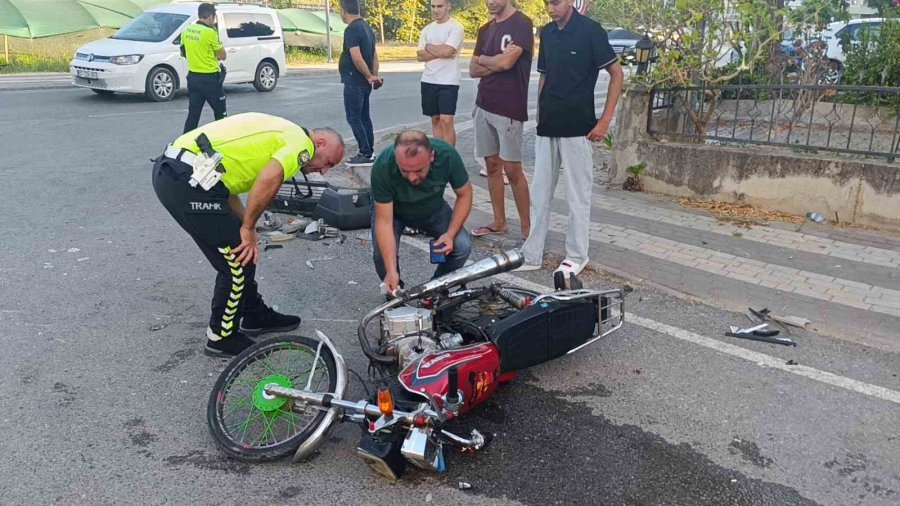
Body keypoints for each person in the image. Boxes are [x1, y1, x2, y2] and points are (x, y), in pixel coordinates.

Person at [152, 113, 345, 357]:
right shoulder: (301, 143)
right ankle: (221, 338)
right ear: (320, 144)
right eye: (328, 163)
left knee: (242, 251)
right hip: (186, 180)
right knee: (236, 263)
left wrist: (245, 224)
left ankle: (253, 314)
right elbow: (270, 178)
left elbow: (226, 188)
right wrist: (248, 228)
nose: (324, 172)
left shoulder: (282, 133)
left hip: (182, 175)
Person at [518, 0, 624, 276]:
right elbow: (544, 76)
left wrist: (605, 120)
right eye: (546, 3)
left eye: (555, 2)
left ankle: (577, 255)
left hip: (579, 127)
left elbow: (617, 74)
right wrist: (539, 112)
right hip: (548, 125)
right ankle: (532, 253)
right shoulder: (547, 32)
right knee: (540, 193)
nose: (550, 8)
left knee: (577, 196)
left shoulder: (591, 31)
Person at [370, 130, 473, 294]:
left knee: (462, 246)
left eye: (419, 170)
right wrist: (390, 271)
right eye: (405, 170)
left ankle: (436, 289)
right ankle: (396, 291)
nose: (412, 178)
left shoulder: (447, 155)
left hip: (433, 209)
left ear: (431, 156)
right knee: (382, 256)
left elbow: (465, 194)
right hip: (394, 211)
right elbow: (384, 222)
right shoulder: (383, 165)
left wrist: (450, 234)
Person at [469, 0, 533, 240]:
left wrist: (487, 60)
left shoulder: (522, 24)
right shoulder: (485, 29)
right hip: (483, 103)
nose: (490, 1)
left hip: (509, 107)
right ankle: (499, 222)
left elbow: (508, 63)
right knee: (492, 166)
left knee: (513, 169)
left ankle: (527, 229)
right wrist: (493, 60)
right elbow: (473, 69)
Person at [416, 0, 465, 146]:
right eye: (433, 6)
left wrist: (429, 47)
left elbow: (449, 51)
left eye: (440, 6)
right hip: (429, 79)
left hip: (448, 81)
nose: (436, 10)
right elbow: (419, 56)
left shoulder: (456, 27)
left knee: (447, 120)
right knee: (435, 119)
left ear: (448, 6)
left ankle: (449, 157)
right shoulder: (427, 29)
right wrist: (441, 51)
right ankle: (438, 154)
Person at [339, 0, 382, 167]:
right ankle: (369, 152)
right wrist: (373, 75)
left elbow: (356, 57)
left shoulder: (351, 29)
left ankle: (365, 153)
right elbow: (374, 56)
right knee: (364, 117)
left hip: (354, 81)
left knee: (354, 118)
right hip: (364, 82)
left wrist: (368, 76)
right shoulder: (367, 27)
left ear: (343, 10)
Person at [181, 2, 227, 134]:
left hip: (193, 78)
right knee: (221, 114)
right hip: (210, 79)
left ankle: (184, 145)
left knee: (193, 115)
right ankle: (223, 142)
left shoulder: (187, 30)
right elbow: (222, 55)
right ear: (211, 16)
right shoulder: (210, 32)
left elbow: (183, 51)